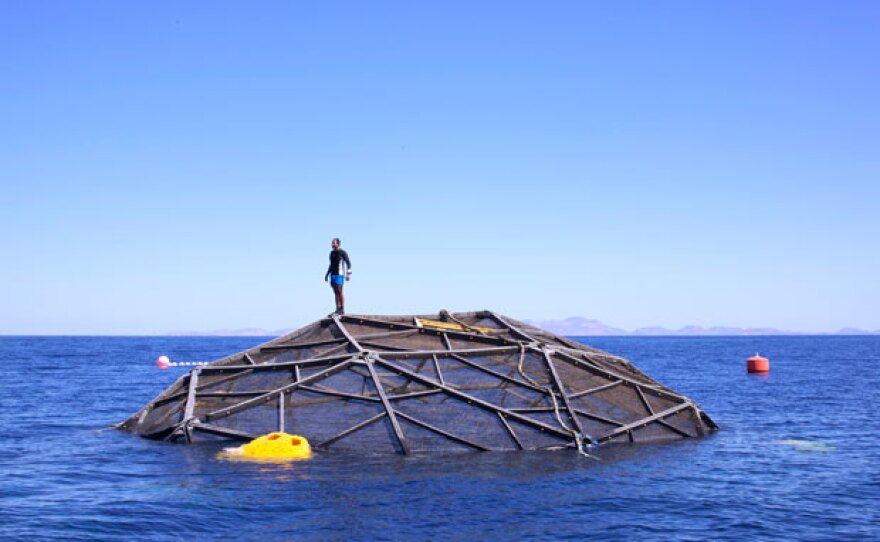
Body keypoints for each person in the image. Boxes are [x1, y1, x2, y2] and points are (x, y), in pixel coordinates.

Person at [324, 238, 351, 315]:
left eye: (334, 243)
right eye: (332, 243)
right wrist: (327, 274)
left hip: (340, 274)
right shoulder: (331, 253)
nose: (332, 244)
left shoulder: (342, 252)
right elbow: (331, 265)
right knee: (335, 292)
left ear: (338, 244)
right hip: (333, 275)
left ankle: (342, 308)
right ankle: (337, 308)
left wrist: (348, 274)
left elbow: (348, 263)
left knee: (340, 291)